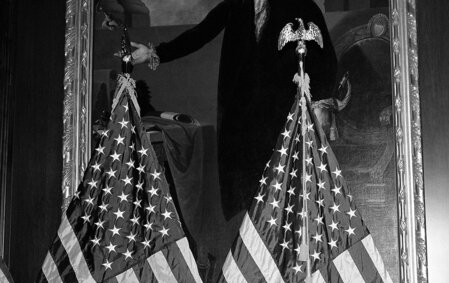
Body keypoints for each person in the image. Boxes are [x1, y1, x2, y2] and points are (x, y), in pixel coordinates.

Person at [130, 0, 338, 220]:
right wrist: (155, 53)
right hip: (241, 127)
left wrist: (321, 105)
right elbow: (199, 34)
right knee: (245, 208)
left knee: (284, 204)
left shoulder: (303, 7)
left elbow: (327, 60)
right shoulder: (236, 5)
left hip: (282, 123)